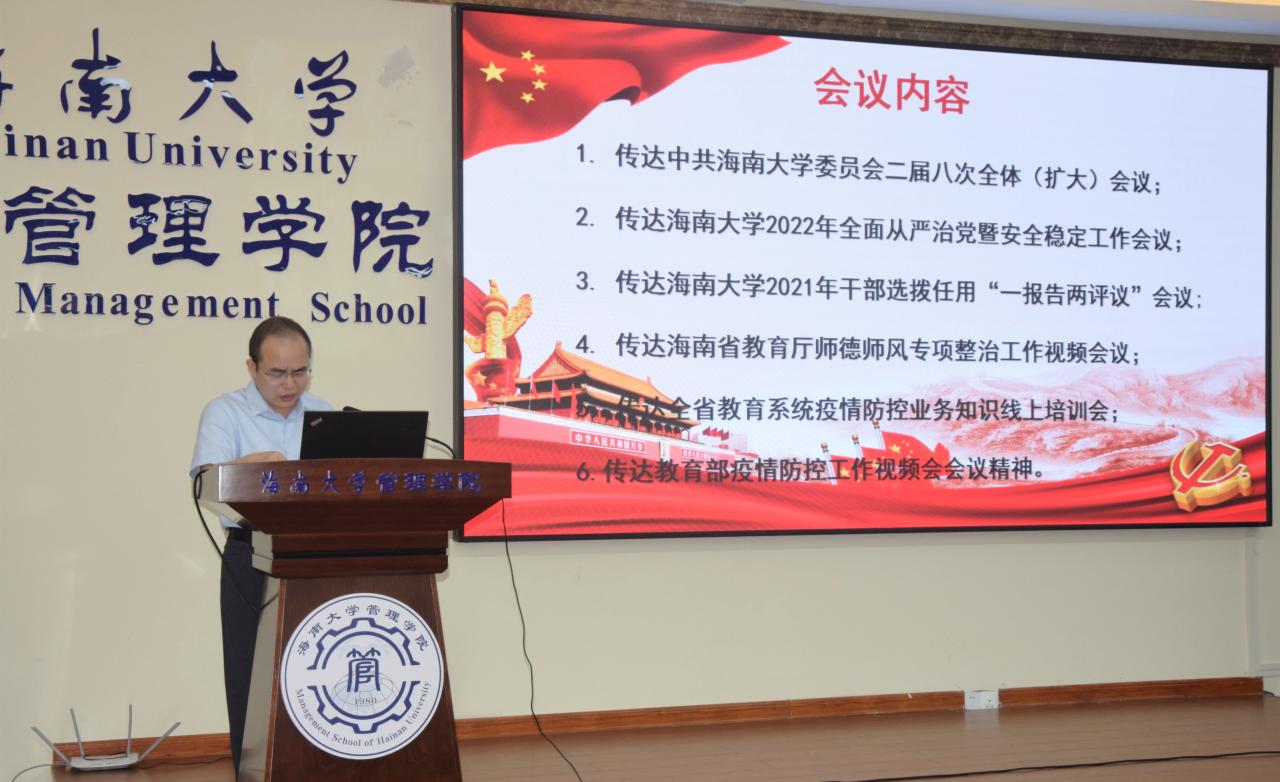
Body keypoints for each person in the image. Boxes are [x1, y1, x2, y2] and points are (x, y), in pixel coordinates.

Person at [189, 316, 331, 772]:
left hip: (317, 552)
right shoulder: (225, 412)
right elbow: (205, 484)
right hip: (250, 553)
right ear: (252, 367)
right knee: (249, 672)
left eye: (300, 371)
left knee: (317, 666)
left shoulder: (325, 414)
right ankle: (251, 772)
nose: (290, 385)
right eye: (277, 373)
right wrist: (246, 469)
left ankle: (317, 766)